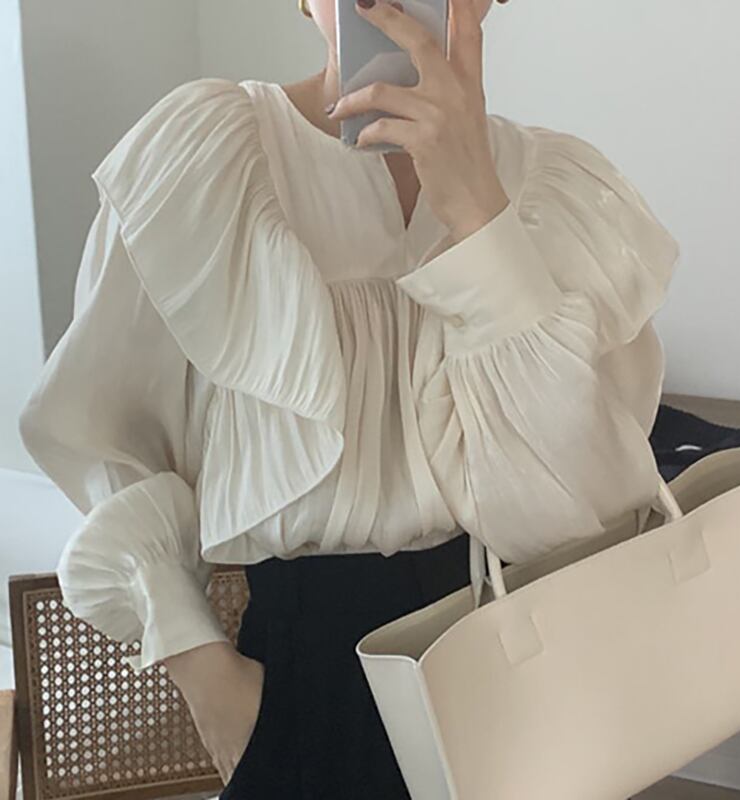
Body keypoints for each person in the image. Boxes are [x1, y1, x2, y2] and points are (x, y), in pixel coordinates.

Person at [17, 0, 681, 796]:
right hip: (303, 682)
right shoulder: (211, 158)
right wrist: (210, 679)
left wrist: (478, 211)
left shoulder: (560, 190)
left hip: (521, 664)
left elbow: (579, 508)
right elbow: (100, 437)